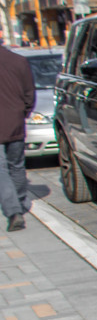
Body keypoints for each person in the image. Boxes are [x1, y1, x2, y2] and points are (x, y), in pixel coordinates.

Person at [0, 41, 34, 231]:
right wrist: (24, 112)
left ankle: (14, 212)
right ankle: (20, 203)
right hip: (15, 121)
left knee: (1, 170)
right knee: (17, 165)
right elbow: (29, 92)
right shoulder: (19, 61)